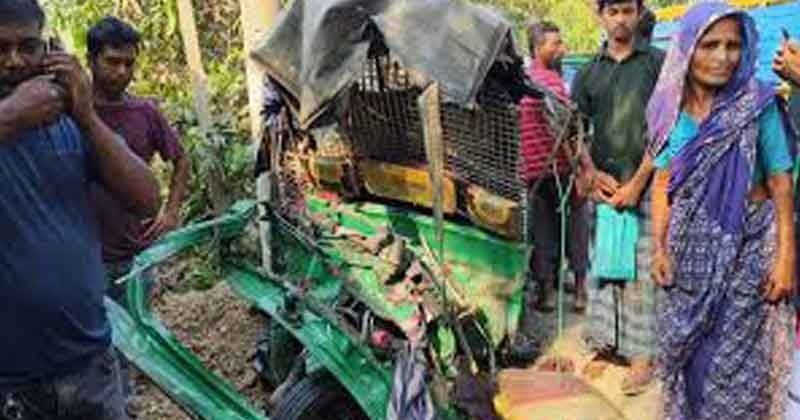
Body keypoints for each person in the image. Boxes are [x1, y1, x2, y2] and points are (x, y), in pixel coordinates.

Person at [0, 0, 161, 418]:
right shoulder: (20, 114)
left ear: (47, 49)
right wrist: (11, 116)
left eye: (27, 47)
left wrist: (87, 115)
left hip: (89, 366)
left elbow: (146, 199)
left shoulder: (67, 120)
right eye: (0, 48)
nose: (13, 61)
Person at [647, 3, 796, 419]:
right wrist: (659, 247)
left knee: (738, 368)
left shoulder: (757, 104)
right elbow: (662, 183)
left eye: (733, 45)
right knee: (690, 360)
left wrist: (785, 258)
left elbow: (781, 182)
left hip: (749, 254)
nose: (723, 57)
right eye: (710, 45)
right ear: (687, 48)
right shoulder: (668, 109)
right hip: (687, 261)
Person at [570, 0, 664, 395]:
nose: (621, 19)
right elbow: (575, 129)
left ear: (639, 13)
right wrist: (590, 173)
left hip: (648, 184)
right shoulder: (588, 72)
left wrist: (638, 183)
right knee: (606, 265)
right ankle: (606, 345)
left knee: (642, 273)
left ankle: (642, 357)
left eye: (628, 10)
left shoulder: (658, 64)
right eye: (613, 12)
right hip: (604, 187)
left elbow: (667, 128)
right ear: (600, 15)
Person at [86, 16, 190, 296]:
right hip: (82, 258)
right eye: (112, 62)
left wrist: (171, 212)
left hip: (134, 255)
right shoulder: (69, 111)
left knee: (136, 321)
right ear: (91, 60)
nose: (122, 71)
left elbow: (181, 159)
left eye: (129, 63)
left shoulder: (145, 113)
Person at [519, 20, 589, 316]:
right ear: (538, 48)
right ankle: (581, 292)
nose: (562, 48)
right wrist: (581, 169)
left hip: (533, 173)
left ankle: (547, 294)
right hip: (560, 169)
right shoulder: (552, 82)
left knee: (542, 232)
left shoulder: (521, 81)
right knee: (576, 228)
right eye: (555, 44)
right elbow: (568, 130)